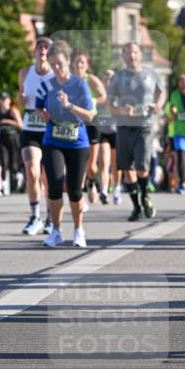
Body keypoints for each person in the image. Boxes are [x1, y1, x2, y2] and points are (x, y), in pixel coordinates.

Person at [35, 40, 94, 248]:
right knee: (54, 185)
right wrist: (42, 114)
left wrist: (69, 105)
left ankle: (79, 230)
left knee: (76, 191)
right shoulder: (46, 85)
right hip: (53, 140)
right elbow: (38, 107)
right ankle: (57, 231)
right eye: (53, 64)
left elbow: (89, 116)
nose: (57, 68)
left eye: (60, 63)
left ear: (68, 61)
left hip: (77, 142)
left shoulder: (80, 85)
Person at [107, 42, 165, 221]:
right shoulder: (117, 77)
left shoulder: (151, 74)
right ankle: (136, 207)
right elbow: (110, 105)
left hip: (144, 126)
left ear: (139, 54)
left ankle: (145, 196)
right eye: (127, 53)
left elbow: (161, 93)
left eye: (134, 52)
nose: (131, 55)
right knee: (127, 169)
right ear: (123, 56)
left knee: (141, 167)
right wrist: (120, 110)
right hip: (124, 127)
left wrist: (158, 105)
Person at [18, 37, 53, 235]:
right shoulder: (24, 73)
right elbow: (20, 98)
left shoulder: (55, 74)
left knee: (48, 177)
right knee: (32, 171)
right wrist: (21, 99)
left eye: (47, 48)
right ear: (35, 51)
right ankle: (35, 216)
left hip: (49, 128)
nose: (43, 51)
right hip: (30, 126)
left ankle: (50, 217)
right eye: (40, 47)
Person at [71, 50, 107, 204]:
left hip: (92, 123)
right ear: (72, 64)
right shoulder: (68, 80)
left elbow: (104, 96)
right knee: (78, 162)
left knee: (91, 165)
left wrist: (93, 101)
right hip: (75, 124)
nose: (79, 65)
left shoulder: (91, 79)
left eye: (82, 62)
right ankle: (79, 196)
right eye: (77, 62)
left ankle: (92, 182)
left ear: (87, 65)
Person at [95, 69, 120, 205]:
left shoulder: (118, 96)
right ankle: (104, 190)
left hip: (116, 132)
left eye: (111, 78)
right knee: (104, 162)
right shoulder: (98, 96)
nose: (108, 81)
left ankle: (116, 188)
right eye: (105, 78)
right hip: (103, 133)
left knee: (116, 164)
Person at [0, 92, 22, 195]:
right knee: (3, 163)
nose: (3, 101)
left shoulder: (13, 111)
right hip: (2, 139)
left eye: (5, 99)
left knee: (13, 163)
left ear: (9, 100)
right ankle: (3, 185)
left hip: (13, 138)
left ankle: (16, 181)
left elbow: (20, 124)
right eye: (1, 99)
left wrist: (8, 121)